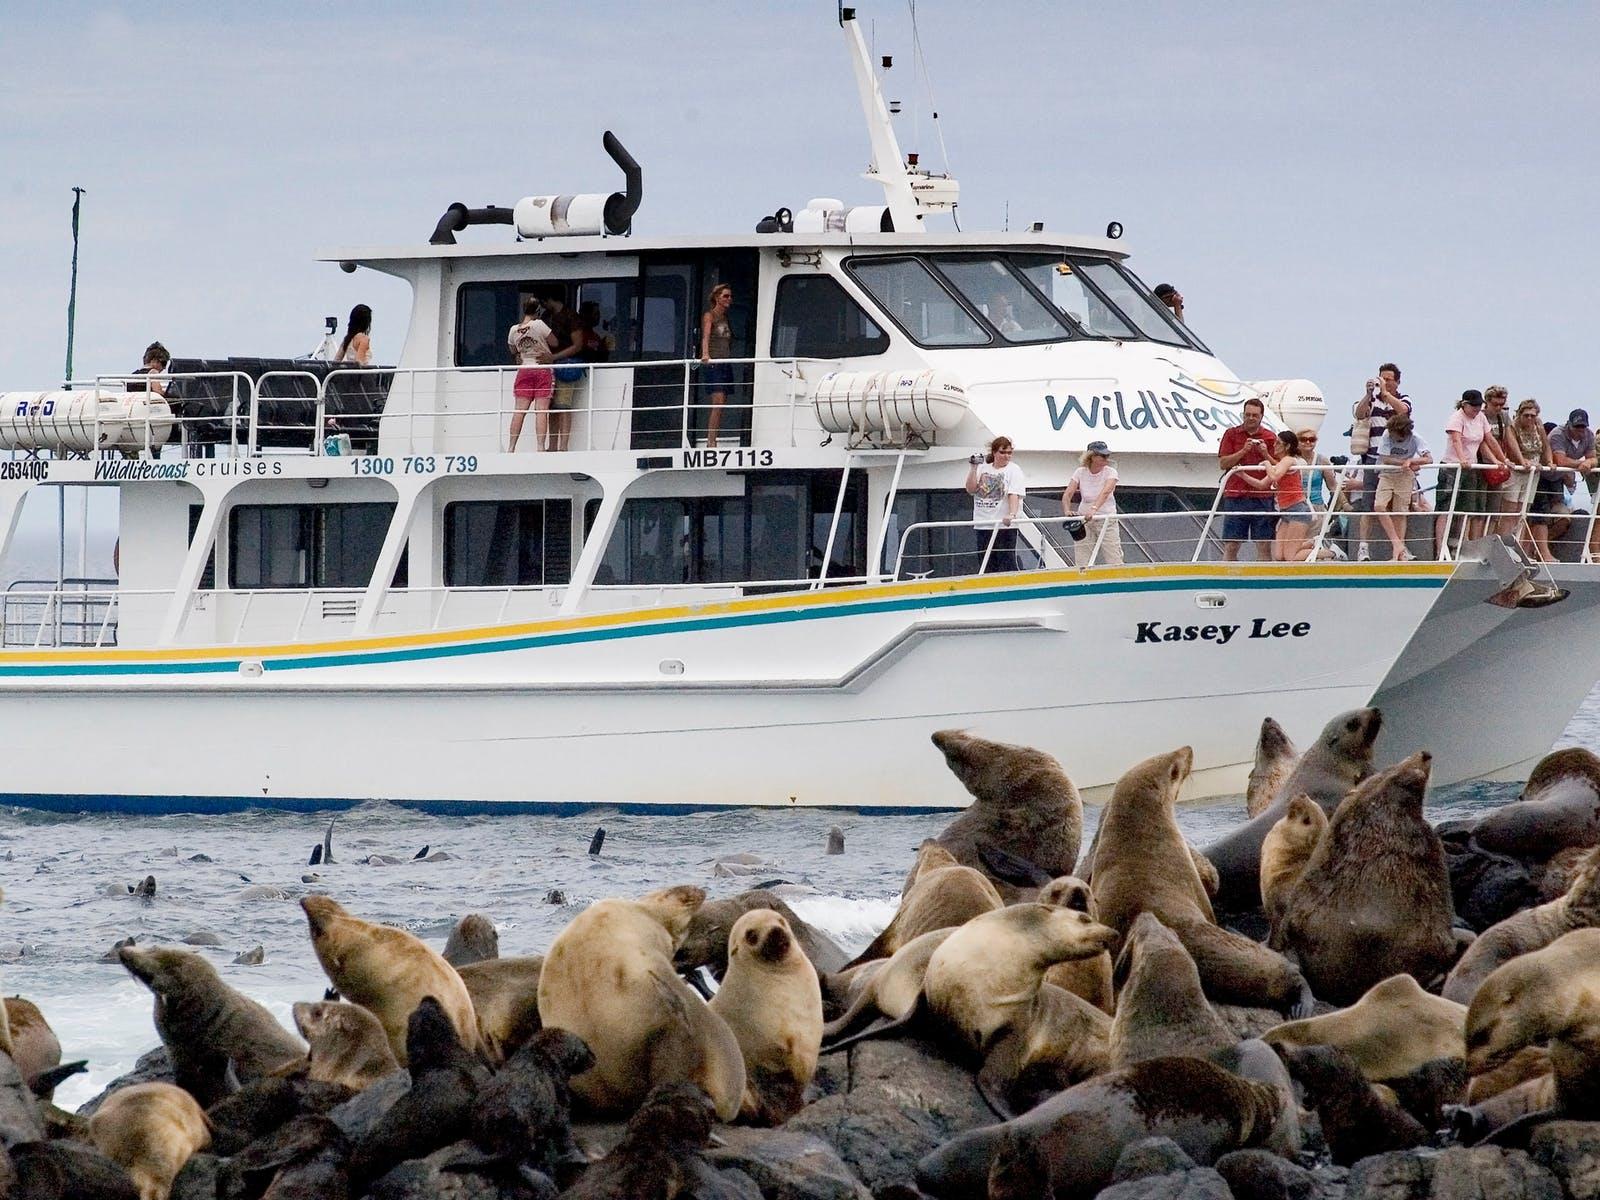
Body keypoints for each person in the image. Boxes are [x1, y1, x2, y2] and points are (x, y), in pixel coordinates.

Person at [1437, 389, 1513, 552]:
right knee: (1446, 508)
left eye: (1479, 406)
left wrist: (1500, 460)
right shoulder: (1456, 419)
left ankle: (1462, 544)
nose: (1477, 409)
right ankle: (1440, 548)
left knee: (1467, 507)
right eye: (1474, 406)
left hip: (1471, 468)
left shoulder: (1481, 418)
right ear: (1464, 405)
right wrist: (1461, 459)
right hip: (1452, 467)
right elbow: (1456, 440)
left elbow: (1488, 441)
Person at [1351, 363, 1411, 561]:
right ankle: (1363, 547)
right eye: (1381, 378)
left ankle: (1400, 548)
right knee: (1368, 504)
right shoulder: (1372, 401)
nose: (1384, 382)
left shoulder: (1402, 399)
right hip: (1372, 458)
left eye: (1388, 379)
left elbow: (1403, 411)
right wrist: (1368, 394)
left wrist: (1385, 394)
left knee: (1398, 506)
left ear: (1397, 381)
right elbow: (1359, 414)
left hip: (1396, 461)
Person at [1216, 398, 1278, 561]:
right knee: (1231, 544)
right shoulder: (1231, 434)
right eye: (1248, 414)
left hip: (1263, 497)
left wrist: (1265, 454)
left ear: (1261, 416)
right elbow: (1223, 463)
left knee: (1264, 544)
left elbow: (1278, 466)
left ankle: (1263, 581)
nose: (1251, 418)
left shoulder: (1270, 437)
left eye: (1255, 415)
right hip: (1236, 496)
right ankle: (1228, 578)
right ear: (1243, 415)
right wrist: (1243, 451)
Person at [1371, 414, 1432, 561]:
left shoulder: (1415, 437)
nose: (1395, 440)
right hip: (1387, 474)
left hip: (1404, 476)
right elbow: (1385, 458)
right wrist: (1403, 462)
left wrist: (1411, 461)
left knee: (1400, 511)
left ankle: (1400, 552)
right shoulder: (1387, 434)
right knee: (1379, 506)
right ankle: (1396, 543)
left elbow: (1429, 458)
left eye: (1398, 439)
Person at [1252, 430, 1317, 561]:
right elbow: (1261, 484)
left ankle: (1330, 552)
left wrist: (1266, 463)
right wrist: (1240, 473)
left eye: (1278, 443)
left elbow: (1275, 475)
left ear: (1287, 446)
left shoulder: (1288, 460)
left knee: (1290, 557)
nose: (1274, 445)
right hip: (1286, 511)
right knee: (1279, 556)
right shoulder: (1281, 463)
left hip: (1298, 509)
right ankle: (1310, 544)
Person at [966, 436, 1025, 573]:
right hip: (983, 523)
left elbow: (1013, 494)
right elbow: (971, 489)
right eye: (1002, 452)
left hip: (1003, 526)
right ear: (994, 452)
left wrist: (1012, 514)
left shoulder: (1014, 469)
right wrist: (973, 468)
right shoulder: (983, 468)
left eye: (1009, 453)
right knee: (986, 564)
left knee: (1006, 562)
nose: (1006, 456)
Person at [1061, 440, 1121, 568]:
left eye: (1107, 455)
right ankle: (1083, 581)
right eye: (1103, 456)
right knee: (1082, 558)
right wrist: (1067, 510)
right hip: (1085, 520)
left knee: (1113, 557)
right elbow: (1068, 494)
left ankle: (1119, 581)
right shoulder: (1080, 472)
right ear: (1092, 457)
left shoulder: (1111, 472)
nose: (1107, 458)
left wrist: (1094, 509)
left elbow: (1106, 492)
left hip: (1106, 519)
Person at [1549, 408, 1600, 557]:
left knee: (1563, 517)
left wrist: (1589, 463)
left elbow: (1592, 457)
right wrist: (1581, 464)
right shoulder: (1558, 434)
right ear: (1569, 425)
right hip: (1546, 477)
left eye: (1583, 427)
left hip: (1563, 481)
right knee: (1537, 515)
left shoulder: (1588, 435)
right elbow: (1560, 460)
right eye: (1577, 427)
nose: (1580, 430)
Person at [506, 298, 554, 452]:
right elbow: (554, 342)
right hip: (542, 369)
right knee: (541, 410)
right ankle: (540, 448)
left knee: (519, 411)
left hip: (524, 370)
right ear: (538, 310)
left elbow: (513, 350)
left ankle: (511, 447)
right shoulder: (539, 324)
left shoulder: (514, 329)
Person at [1512, 399, 1557, 563]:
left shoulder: (1538, 425)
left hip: (1534, 473)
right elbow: (1512, 447)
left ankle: (1521, 549)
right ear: (1520, 414)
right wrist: (1522, 461)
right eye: (1526, 415)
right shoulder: (1513, 426)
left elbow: (1546, 446)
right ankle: (1510, 547)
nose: (1530, 418)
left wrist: (1550, 461)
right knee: (1512, 510)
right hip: (1518, 472)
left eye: (1533, 415)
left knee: (1525, 511)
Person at [542, 294, 585, 452]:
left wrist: (554, 357)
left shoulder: (571, 316)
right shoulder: (547, 317)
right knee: (552, 406)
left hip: (568, 365)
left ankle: (563, 447)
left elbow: (578, 345)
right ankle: (553, 446)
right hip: (550, 367)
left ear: (549, 300)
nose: (543, 306)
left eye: (544, 302)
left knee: (563, 405)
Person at [1482, 386, 1523, 534]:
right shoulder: (1481, 417)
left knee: (1494, 506)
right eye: (1495, 405)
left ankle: (1490, 538)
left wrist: (1520, 459)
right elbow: (1484, 442)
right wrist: (1499, 460)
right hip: (1483, 464)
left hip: (1497, 468)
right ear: (1487, 402)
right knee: (1479, 507)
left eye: (1502, 404)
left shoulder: (1503, 417)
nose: (1499, 408)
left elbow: (1509, 438)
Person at [700, 284, 735, 448]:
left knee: (722, 403)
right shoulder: (710, 316)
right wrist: (705, 354)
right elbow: (705, 337)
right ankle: (710, 441)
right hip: (714, 364)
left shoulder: (726, 318)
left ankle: (714, 438)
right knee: (718, 402)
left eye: (730, 296)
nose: (729, 299)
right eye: (725, 296)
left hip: (725, 363)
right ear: (717, 298)